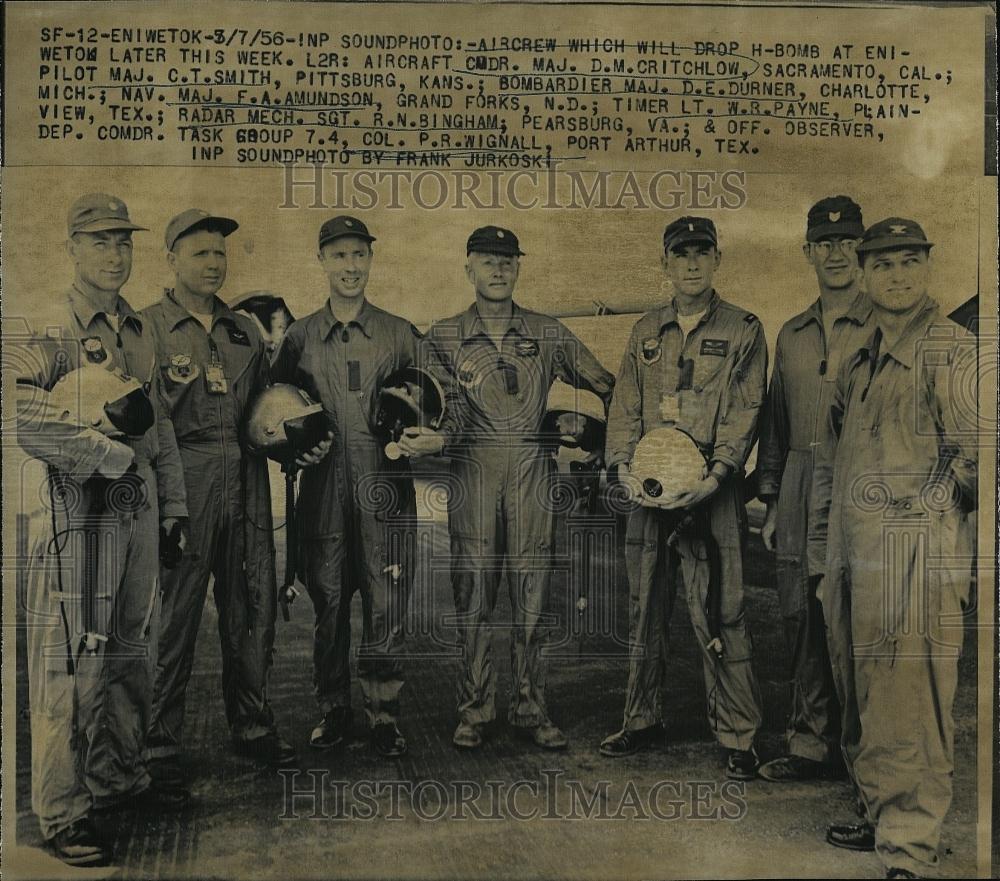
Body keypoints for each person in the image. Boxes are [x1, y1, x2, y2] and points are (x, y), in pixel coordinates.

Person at [12, 194, 189, 866]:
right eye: (100, 242)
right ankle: (62, 810)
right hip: (77, 512)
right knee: (67, 662)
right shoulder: (51, 326)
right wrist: (100, 452)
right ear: (73, 247)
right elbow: (17, 408)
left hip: (137, 510)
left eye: (123, 242)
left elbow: (162, 423)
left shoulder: (139, 329)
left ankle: (118, 776)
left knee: (126, 650)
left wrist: (173, 508)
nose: (115, 255)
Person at [808, 218, 977, 879]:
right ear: (866, 273)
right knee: (860, 689)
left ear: (928, 268)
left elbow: (975, 458)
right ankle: (878, 804)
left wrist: (925, 517)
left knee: (912, 697)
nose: (898, 276)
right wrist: (829, 549)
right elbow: (833, 456)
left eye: (910, 262)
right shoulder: (861, 357)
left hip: (913, 558)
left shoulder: (951, 350)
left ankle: (908, 841)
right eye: (884, 265)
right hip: (854, 554)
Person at [426, 225, 615, 751]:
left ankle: (532, 709)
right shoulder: (442, 337)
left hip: (534, 472)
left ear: (519, 267)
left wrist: (598, 436)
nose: (499, 269)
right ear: (468, 267)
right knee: (473, 599)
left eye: (508, 260)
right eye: (488, 261)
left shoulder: (548, 333)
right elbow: (420, 405)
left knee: (532, 599)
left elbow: (609, 385)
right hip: (473, 474)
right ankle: (475, 710)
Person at [142, 209, 317, 777]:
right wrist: (167, 502)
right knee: (175, 619)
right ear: (171, 259)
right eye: (200, 253)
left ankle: (253, 724)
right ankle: (160, 744)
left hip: (245, 482)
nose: (214, 263)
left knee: (253, 609)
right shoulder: (146, 329)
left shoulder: (244, 331)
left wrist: (295, 444)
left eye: (220, 253)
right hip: (185, 481)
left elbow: (265, 416)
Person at [600, 216, 766, 780]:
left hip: (711, 492)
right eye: (681, 254)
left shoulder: (744, 328)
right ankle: (640, 719)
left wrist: (717, 476)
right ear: (665, 263)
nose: (692, 263)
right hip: (648, 492)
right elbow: (624, 404)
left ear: (718, 258)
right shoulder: (646, 331)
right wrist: (621, 466)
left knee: (722, 608)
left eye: (702, 252)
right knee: (645, 605)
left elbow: (745, 411)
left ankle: (739, 735)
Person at [271, 215, 436, 757]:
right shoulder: (299, 337)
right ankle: (334, 709)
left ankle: (384, 715)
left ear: (371, 259)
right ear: (321, 260)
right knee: (330, 601)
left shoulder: (399, 333)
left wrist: (427, 437)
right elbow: (274, 413)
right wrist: (293, 451)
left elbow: (438, 403)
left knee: (386, 601)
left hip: (384, 490)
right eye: (339, 256)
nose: (350, 266)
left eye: (359, 255)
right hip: (322, 492)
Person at [756, 196, 875, 782]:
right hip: (800, 481)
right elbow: (776, 423)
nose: (836, 252)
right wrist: (775, 498)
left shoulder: (880, 322)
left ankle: (862, 755)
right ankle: (810, 743)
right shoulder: (792, 332)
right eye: (824, 243)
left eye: (848, 241)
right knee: (799, 615)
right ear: (807, 252)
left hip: (856, 481)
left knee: (850, 614)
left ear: (863, 249)